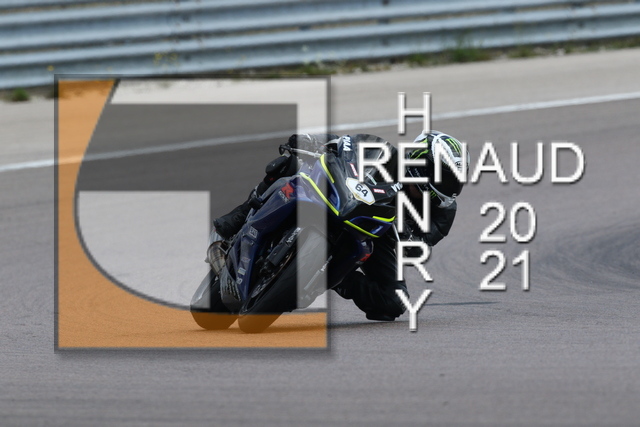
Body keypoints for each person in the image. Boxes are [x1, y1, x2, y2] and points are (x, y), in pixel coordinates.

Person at [208, 131, 468, 321]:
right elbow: (345, 144)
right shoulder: (384, 153)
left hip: (379, 234)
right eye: (445, 178)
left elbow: (419, 247)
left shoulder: (443, 210)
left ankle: (335, 277)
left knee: (394, 302)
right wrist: (314, 141)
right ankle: (237, 219)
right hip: (343, 198)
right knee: (291, 163)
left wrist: (403, 233)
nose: (448, 188)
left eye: (454, 182)